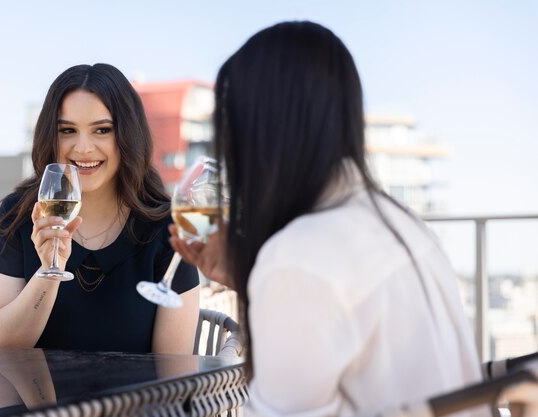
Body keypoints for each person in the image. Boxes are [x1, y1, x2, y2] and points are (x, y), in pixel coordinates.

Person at [170, 21, 485, 416]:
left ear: (262, 131)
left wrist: (271, 277)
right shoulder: (402, 223)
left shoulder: (300, 256)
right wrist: (252, 278)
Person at [0, 63, 200, 353]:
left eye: (102, 130)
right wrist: (49, 271)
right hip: (38, 399)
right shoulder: (19, 215)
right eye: (68, 130)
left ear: (127, 135)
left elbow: (173, 373)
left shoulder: (169, 228)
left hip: (138, 399)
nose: (83, 148)